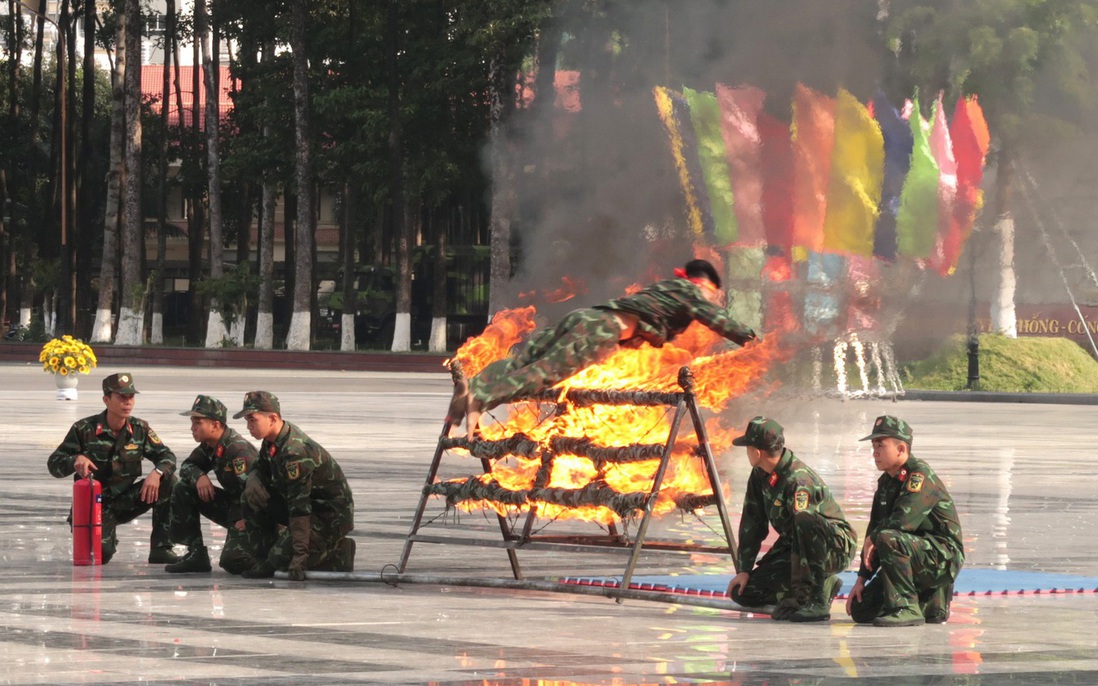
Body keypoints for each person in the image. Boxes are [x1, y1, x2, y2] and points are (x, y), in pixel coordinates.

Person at [449, 259, 757, 438]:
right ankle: (480, 398)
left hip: (585, 315)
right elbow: (718, 320)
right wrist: (753, 341)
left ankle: (474, 385)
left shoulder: (667, 286)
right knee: (543, 373)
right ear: (704, 284)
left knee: (524, 360)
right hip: (605, 329)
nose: (711, 297)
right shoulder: (692, 292)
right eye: (712, 292)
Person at [727, 417, 856, 622]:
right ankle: (821, 584)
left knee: (803, 519)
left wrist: (800, 597)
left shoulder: (798, 480)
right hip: (796, 546)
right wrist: (744, 569)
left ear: (757, 452)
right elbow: (753, 522)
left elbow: (806, 531)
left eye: (748, 447)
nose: (746, 453)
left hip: (832, 548)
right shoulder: (760, 473)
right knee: (744, 592)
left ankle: (815, 599)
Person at [47, 372, 179, 564]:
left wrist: (156, 473)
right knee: (101, 555)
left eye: (131, 397)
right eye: (121, 397)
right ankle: (105, 534)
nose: (128, 402)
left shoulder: (140, 429)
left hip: (126, 499)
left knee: (169, 481)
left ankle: (161, 548)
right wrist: (76, 459)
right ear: (106, 400)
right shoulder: (84, 429)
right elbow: (54, 464)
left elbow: (167, 456)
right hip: (94, 505)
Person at [846, 415, 964, 627]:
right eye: (873, 446)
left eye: (880, 446)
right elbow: (873, 530)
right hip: (911, 554)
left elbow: (902, 521)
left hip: (942, 557)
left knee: (887, 537)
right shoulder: (886, 483)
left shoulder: (919, 475)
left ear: (901, 449)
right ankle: (928, 602)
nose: (875, 452)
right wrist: (861, 579)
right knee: (861, 610)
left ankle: (907, 607)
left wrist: (874, 537)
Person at [234, 391, 356, 580]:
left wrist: (300, 556)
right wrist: (253, 478)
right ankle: (265, 559)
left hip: (328, 516)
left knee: (281, 559)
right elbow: (261, 467)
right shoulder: (271, 441)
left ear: (273, 418)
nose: (248, 427)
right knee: (251, 495)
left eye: (252, 420)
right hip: (303, 508)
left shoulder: (295, 452)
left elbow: (300, 507)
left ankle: (338, 553)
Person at [164, 395, 257, 574]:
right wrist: (199, 476)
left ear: (215, 425)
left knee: (232, 561)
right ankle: (196, 553)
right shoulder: (210, 445)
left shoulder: (238, 450)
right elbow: (187, 466)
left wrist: (251, 519)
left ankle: (270, 557)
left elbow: (259, 492)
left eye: (197, 422)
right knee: (183, 488)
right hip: (234, 507)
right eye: (192, 422)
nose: (192, 428)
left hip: (252, 513)